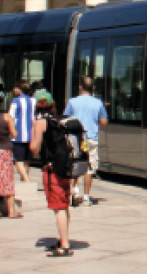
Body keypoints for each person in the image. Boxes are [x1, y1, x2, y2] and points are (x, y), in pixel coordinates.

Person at [29, 100, 73, 257]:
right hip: (66, 168)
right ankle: (63, 239)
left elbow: (34, 148)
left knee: (58, 207)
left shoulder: (40, 122)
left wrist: (33, 132)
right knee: (64, 205)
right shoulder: (60, 121)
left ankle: (65, 246)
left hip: (52, 169)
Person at [64, 77, 108, 207]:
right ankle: (86, 197)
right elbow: (104, 122)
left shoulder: (72, 102)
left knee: (75, 164)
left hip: (76, 138)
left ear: (80, 87)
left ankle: (75, 192)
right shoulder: (98, 103)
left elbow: (65, 119)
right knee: (89, 168)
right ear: (93, 88)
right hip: (91, 139)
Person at [8, 80, 36, 183]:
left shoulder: (15, 101)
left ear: (19, 89)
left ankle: (26, 180)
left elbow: (10, 117)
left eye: (15, 88)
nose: (13, 90)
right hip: (31, 135)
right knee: (27, 160)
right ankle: (25, 179)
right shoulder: (34, 100)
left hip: (18, 135)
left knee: (18, 161)